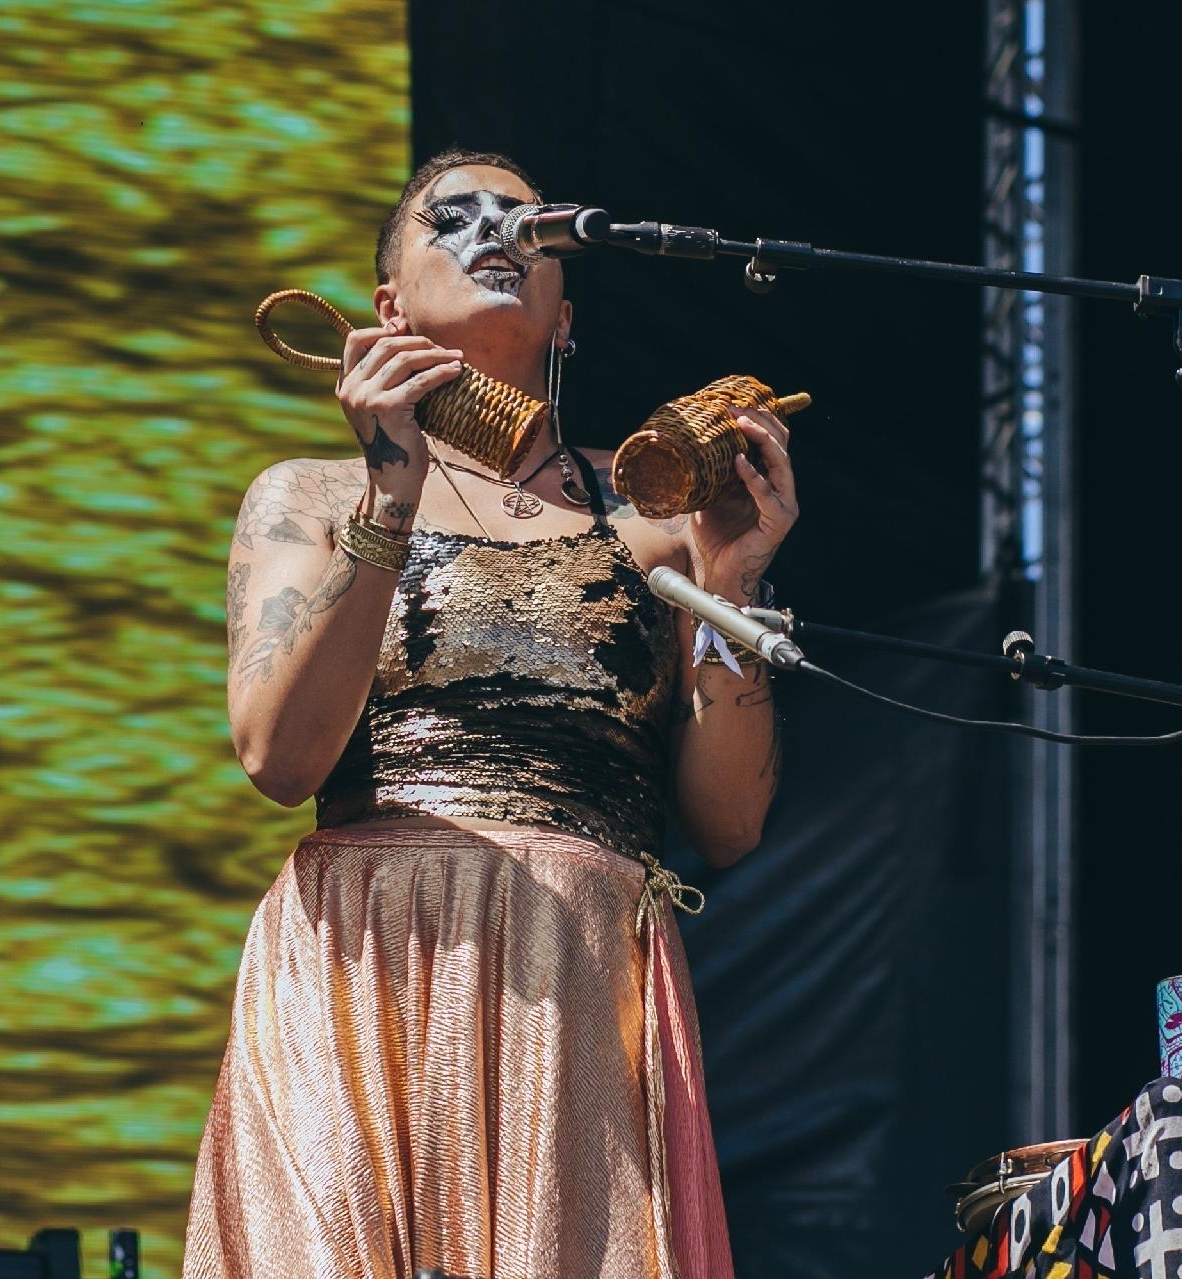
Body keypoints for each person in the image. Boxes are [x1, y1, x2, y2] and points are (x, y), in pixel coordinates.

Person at [184, 148, 796, 1279]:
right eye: (450, 219)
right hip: (364, 955)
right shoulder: (310, 493)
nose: (492, 234)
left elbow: (729, 822)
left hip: (575, 973)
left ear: (566, 314)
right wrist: (390, 490)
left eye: (525, 225)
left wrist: (734, 586)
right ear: (386, 307)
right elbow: (279, 752)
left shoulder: (652, 512)